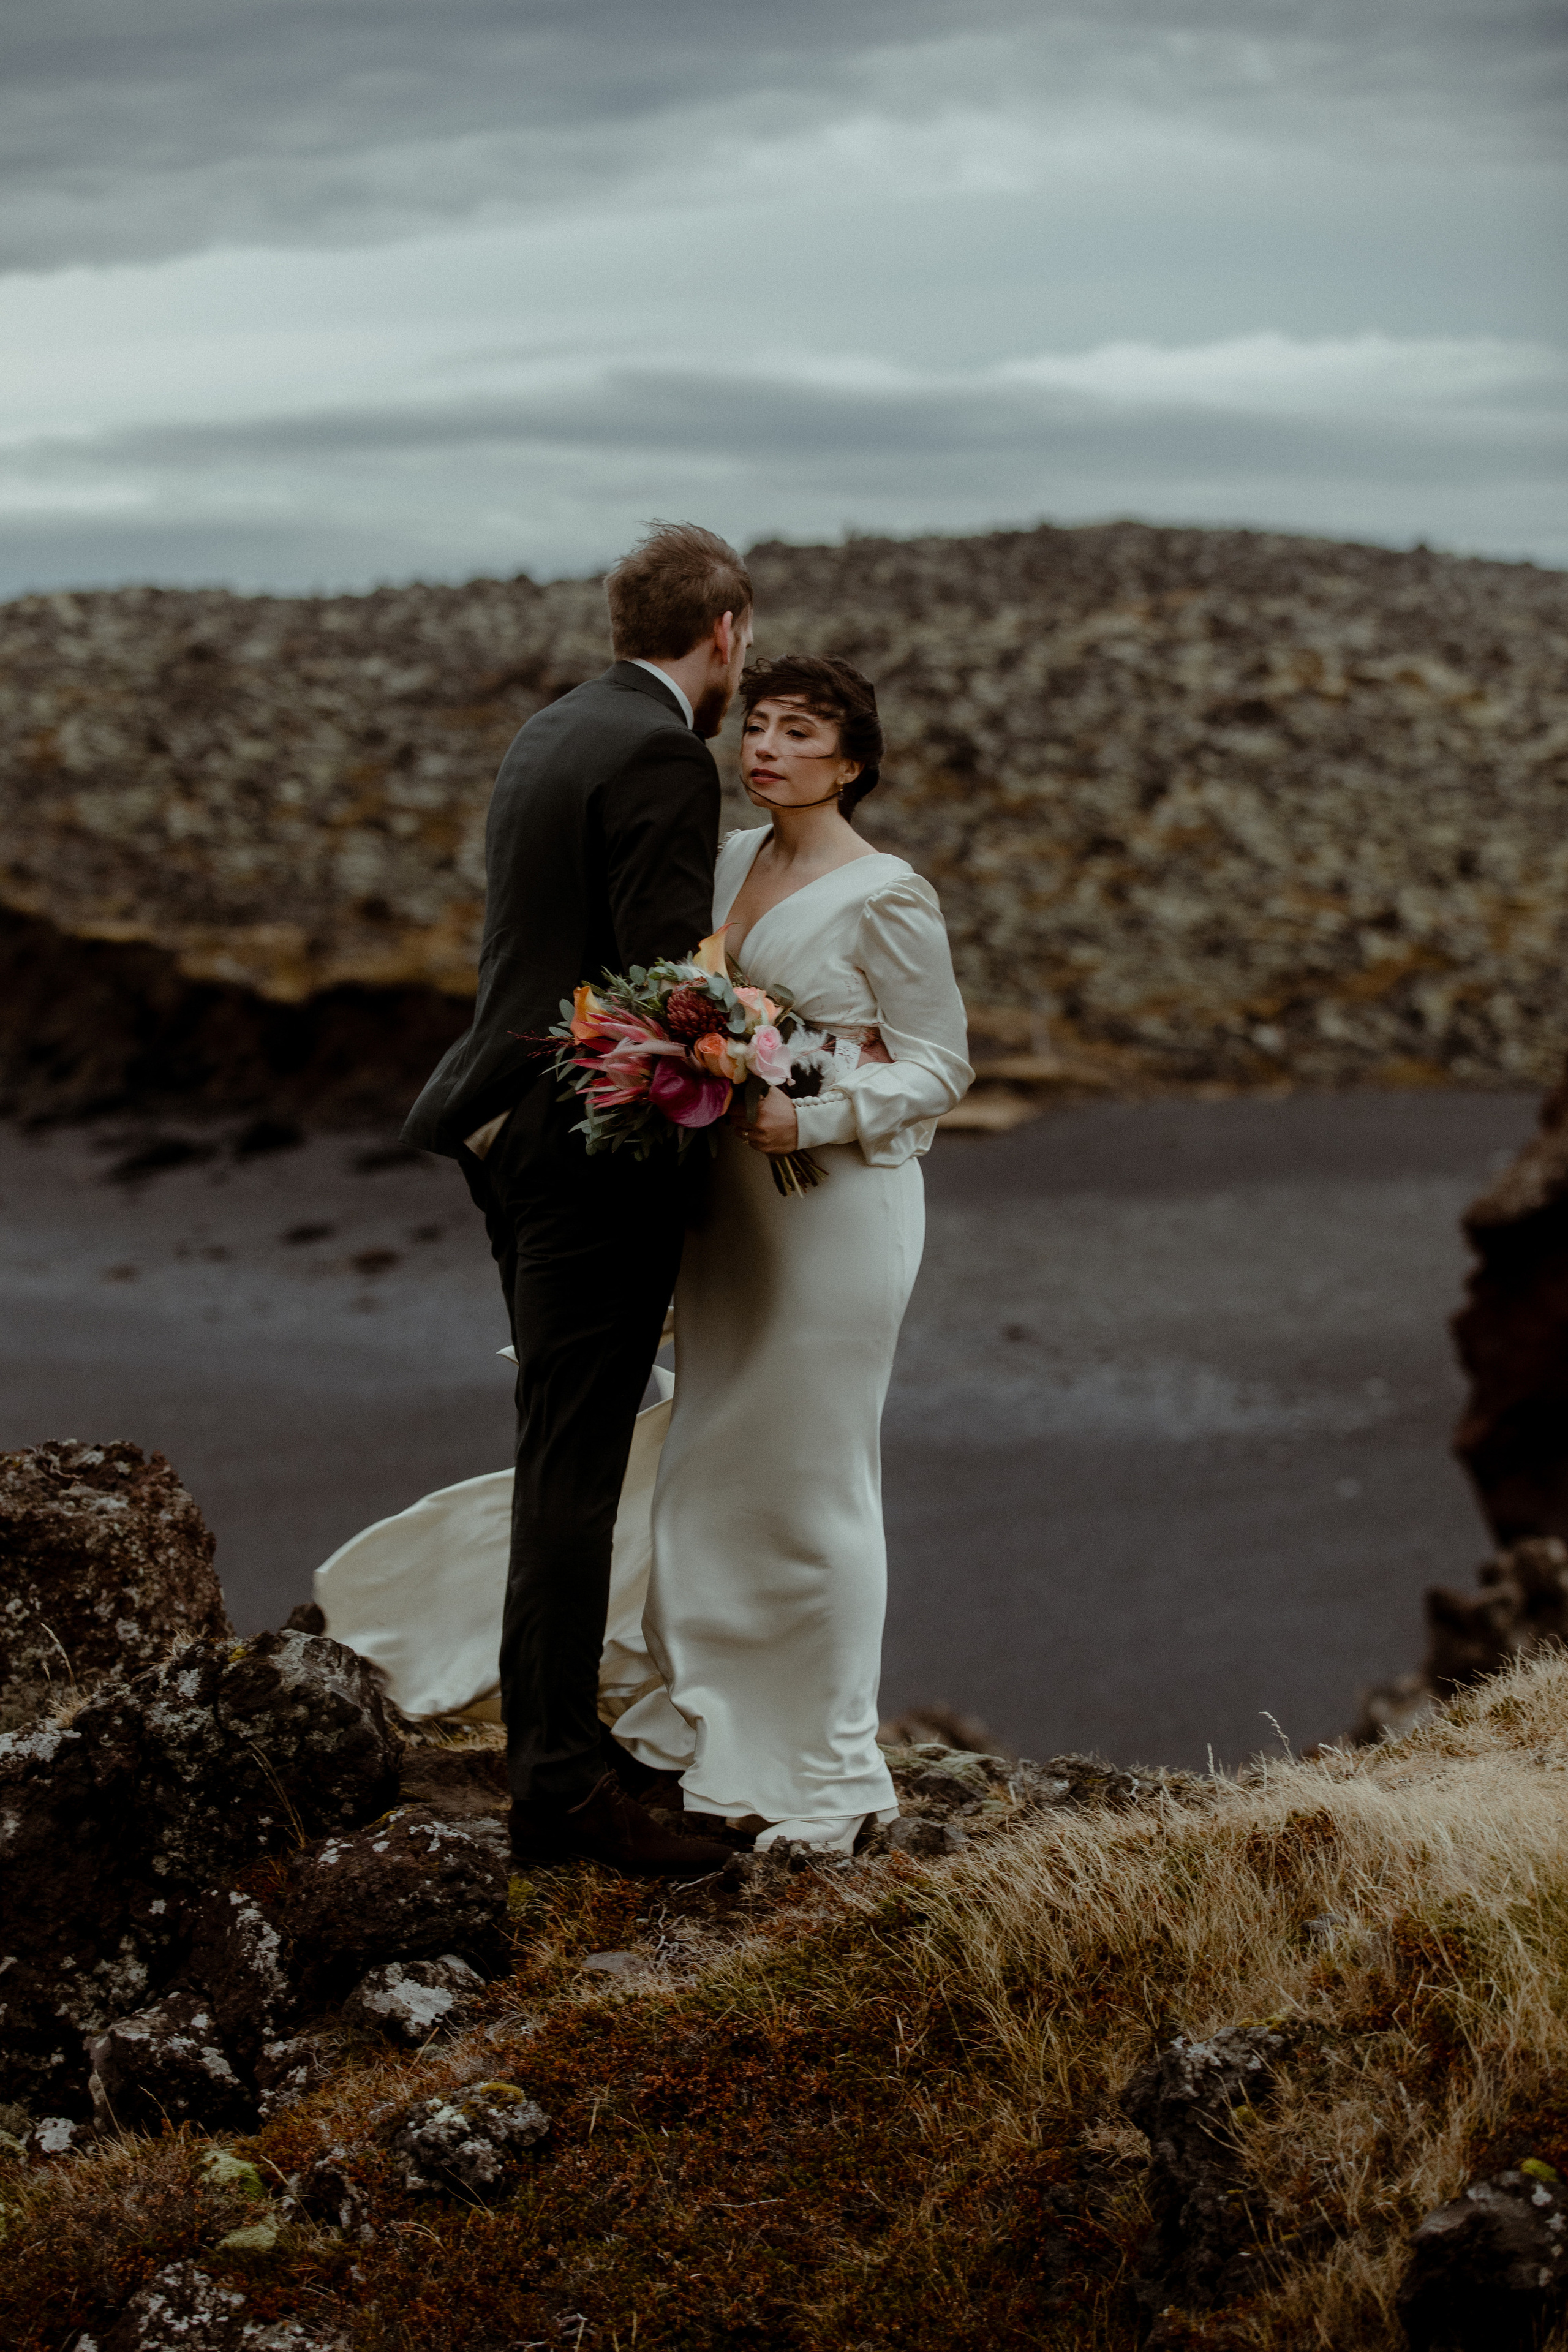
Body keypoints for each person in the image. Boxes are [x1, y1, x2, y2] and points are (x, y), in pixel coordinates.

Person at [399, 521, 753, 1875]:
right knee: (575, 1461)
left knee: (565, 1443)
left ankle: (561, 1742)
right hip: (585, 1145)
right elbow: (664, 990)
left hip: (500, 1117)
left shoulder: (551, 729)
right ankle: (554, 1786)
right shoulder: (662, 752)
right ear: (722, 633)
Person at [606, 654, 973, 1849]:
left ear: (850, 762)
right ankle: (715, 1724)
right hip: (733, 1210)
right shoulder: (726, 862)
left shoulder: (887, 894)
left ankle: (826, 1773)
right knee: (716, 1457)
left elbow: (937, 1063)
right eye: (754, 726)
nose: (763, 747)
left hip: (836, 1213)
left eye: (796, 732)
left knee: (813, 1478)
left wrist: (811, 1114)